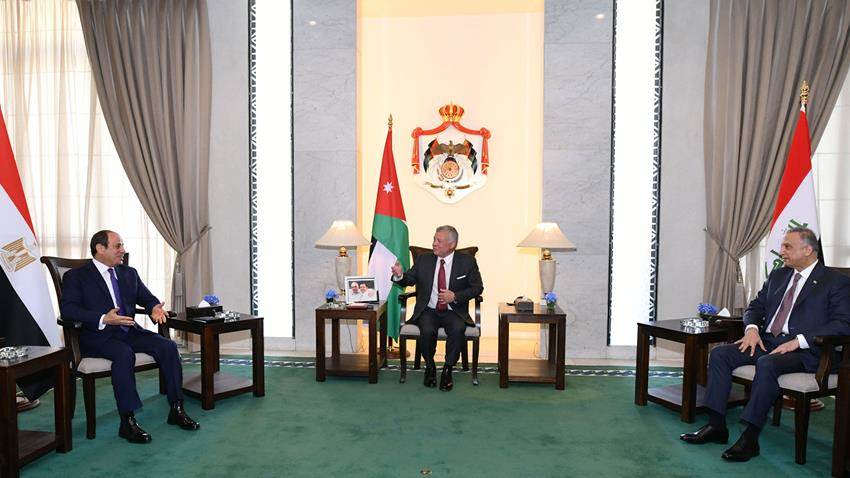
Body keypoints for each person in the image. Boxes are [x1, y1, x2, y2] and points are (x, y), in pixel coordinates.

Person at [680, 227, 850, 461]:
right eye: (782, 246)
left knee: (767, 363)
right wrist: (751, 329)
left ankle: (750, 438)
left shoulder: (836, 281)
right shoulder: (779, 276)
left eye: (787, 246)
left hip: (808, 350)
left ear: (808, 250)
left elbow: (843, 324)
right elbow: (755, 307)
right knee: (720, 354)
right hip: (769, 341)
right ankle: (716, 425)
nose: (781, 251)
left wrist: (799, 341)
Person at [60, 230, 200, 443]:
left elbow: (147, 298)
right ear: (100, 248)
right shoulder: (76, 276)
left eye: (122, 245)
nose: (123, 250)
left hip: (129, 331)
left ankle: (177, 408)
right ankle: (127, 421)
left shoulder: (128, 273)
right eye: (118, 246)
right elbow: (68, 310)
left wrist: (154, 307)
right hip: (96, 336)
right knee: (124, 354)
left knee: (168, 347)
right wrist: (103, 318)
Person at [391, 225, 483, 391]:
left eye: (439, 241)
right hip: (429, 310)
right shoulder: (424, 259)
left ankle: (448, 370)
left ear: (452, 244)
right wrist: (400, 275)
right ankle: (430, 367)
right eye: (434, 239)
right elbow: (410, 278)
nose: (434, 243)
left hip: (453, 311)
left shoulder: (467, 262)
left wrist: (455, 296)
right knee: (427, 330)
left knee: (457, 329)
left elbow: (477, 288)